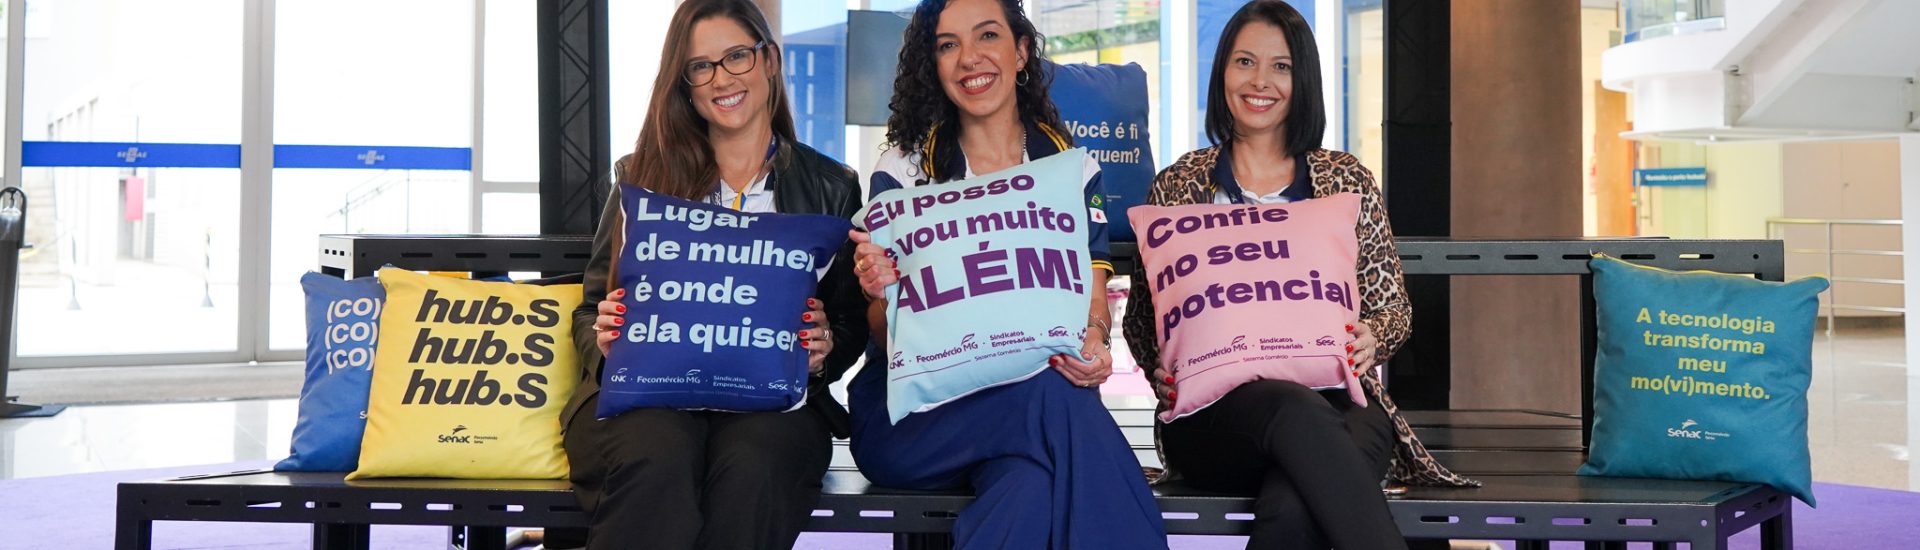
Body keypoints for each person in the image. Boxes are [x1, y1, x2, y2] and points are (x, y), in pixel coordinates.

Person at [1119, 2, 1479, 549]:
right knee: (1290, 408)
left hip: (1339, 403)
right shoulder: (1180, 183)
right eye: (1244, 62)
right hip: (1218, 419)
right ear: (1223, 72)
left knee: (1292, 505)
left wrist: (1373, 337)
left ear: (1302, 78)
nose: (1259, 81)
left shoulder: (1345, 179)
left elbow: (1393, 308)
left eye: (1281, 66)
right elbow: (1145, 320)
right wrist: (1162, 370)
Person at [842, 0, 1168, 548]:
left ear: (1021, 52)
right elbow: (883, 336)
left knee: (1028, 486)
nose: (969, 57)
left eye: (987, 36)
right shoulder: (903, 169)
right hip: (916, 419)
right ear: (933, 64)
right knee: (1055, 397)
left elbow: (1092, 305)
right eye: (948, 45)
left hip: (1032, 409)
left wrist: (1093, 345)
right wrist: (882, 292)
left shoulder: (1071, 170)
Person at [558, 1, 869, 548]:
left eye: (737, 57)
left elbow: (847, 321)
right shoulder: (641, 175)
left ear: (769, 61)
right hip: (647, 399)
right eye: (701, 66)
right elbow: (588, 310)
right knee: (658, 454)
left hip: (773, 405)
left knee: (755, 462)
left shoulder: (832, 186)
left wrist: (825, 350)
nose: (722, 78)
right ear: (685, 83)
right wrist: (605, 340)